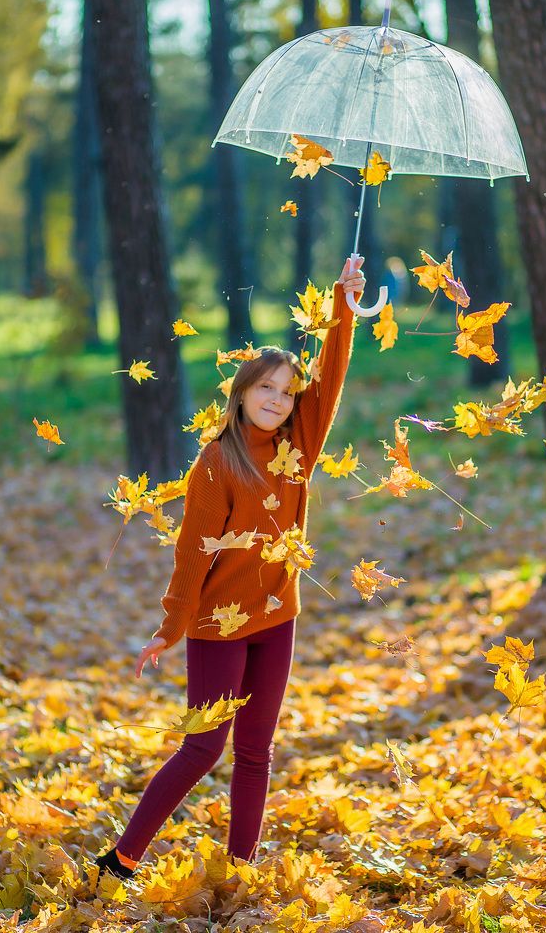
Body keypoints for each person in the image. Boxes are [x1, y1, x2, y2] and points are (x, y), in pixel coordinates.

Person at [90, 257, 365, 881]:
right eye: (264, 388)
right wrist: (171, 626)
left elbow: (333, 377)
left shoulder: (301, 446)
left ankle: (240, 868)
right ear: (241, 394)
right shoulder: (216, 463)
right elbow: (193, 551)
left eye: (286, 392)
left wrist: (344, 304)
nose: (276, 400)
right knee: (204, 745)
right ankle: (122, 857)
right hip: (219, 623)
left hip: (278, 618)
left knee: (255, 752)